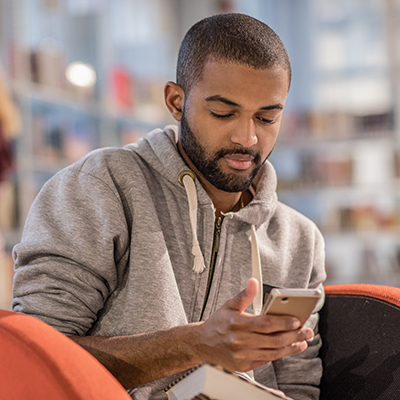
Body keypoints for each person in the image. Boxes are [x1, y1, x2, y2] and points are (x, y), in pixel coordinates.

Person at [12, 13, 326, 400]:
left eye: (266, 117)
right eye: (223, 113)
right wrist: (195, 345)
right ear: (176, 102)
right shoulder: (101, 187)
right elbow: (33, 357)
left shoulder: (298, 239)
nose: (247, 138)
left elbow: (299, 387)